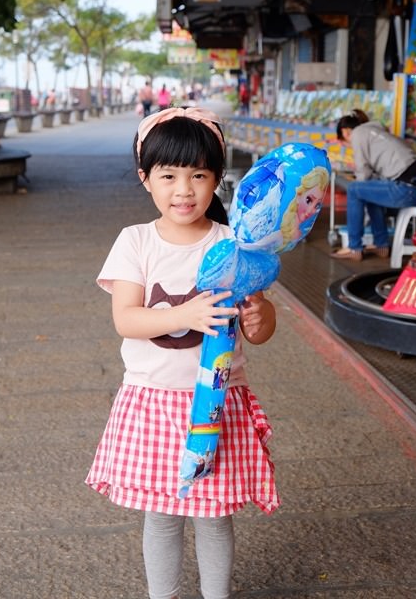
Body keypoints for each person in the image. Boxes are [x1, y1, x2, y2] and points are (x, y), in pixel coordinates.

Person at [85, 107, 280, 599]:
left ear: (217, 178)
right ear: (145, 178)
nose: (184, 189)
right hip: (152, 401)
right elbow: (127, 318)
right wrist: (184, 315)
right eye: (168, 175)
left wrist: (261, 319)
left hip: (215, 404)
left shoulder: (233, 245)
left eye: (198, 175)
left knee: (214, 517)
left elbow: (258, 326)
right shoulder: (136, 241)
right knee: (163, 515)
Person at [331, 109, 416, 261]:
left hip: (408, 187)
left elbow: (363, 174)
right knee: (370, 191)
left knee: (354, 190)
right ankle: (381, 245)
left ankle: (354, 246)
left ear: (345, 132)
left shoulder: (357, 134)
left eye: (346, 145)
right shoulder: (376, 132)